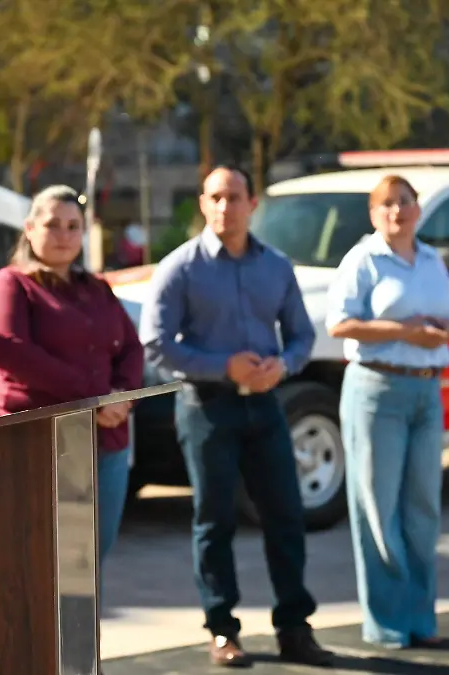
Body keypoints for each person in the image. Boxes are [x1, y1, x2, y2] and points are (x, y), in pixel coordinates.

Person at [139, 166, 334, 668]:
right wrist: (221, 365)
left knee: (286, 516)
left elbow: (301, 336)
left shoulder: (277, 266)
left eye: (236, 196)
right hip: (207, 407)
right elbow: (156, 343)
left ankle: (294, 626)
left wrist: (285, 365)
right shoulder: (180, 267)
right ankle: (222, 629)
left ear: (252, 204)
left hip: (266, 405)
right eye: (216, 197)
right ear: (203, 204)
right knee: (215, 521)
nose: (226, 206)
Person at [0, 185, 143, 575]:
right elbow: (8, 347)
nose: (64, 235)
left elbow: (131, 348)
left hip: (106, 444)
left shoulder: (97, 288)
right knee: (36, 568)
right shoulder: (11, 284)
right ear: (29, 229)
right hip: (37, 442)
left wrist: (122, 397)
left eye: (73, 226)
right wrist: (95, 396)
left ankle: (80, 640)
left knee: (87, 569)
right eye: (53, 225)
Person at [326, 175, 449, 648]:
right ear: (373, 214)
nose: (396, 212)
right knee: (378, 511)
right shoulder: (363, 259)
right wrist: (403, 330)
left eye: (404, 202)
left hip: (426, 392)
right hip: (377, 390)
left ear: (418, 210)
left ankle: (421, 619)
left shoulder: (430, 261)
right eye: (386, 205)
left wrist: (439, 331)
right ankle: (387, 623)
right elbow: (340, 322)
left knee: (423, 509)